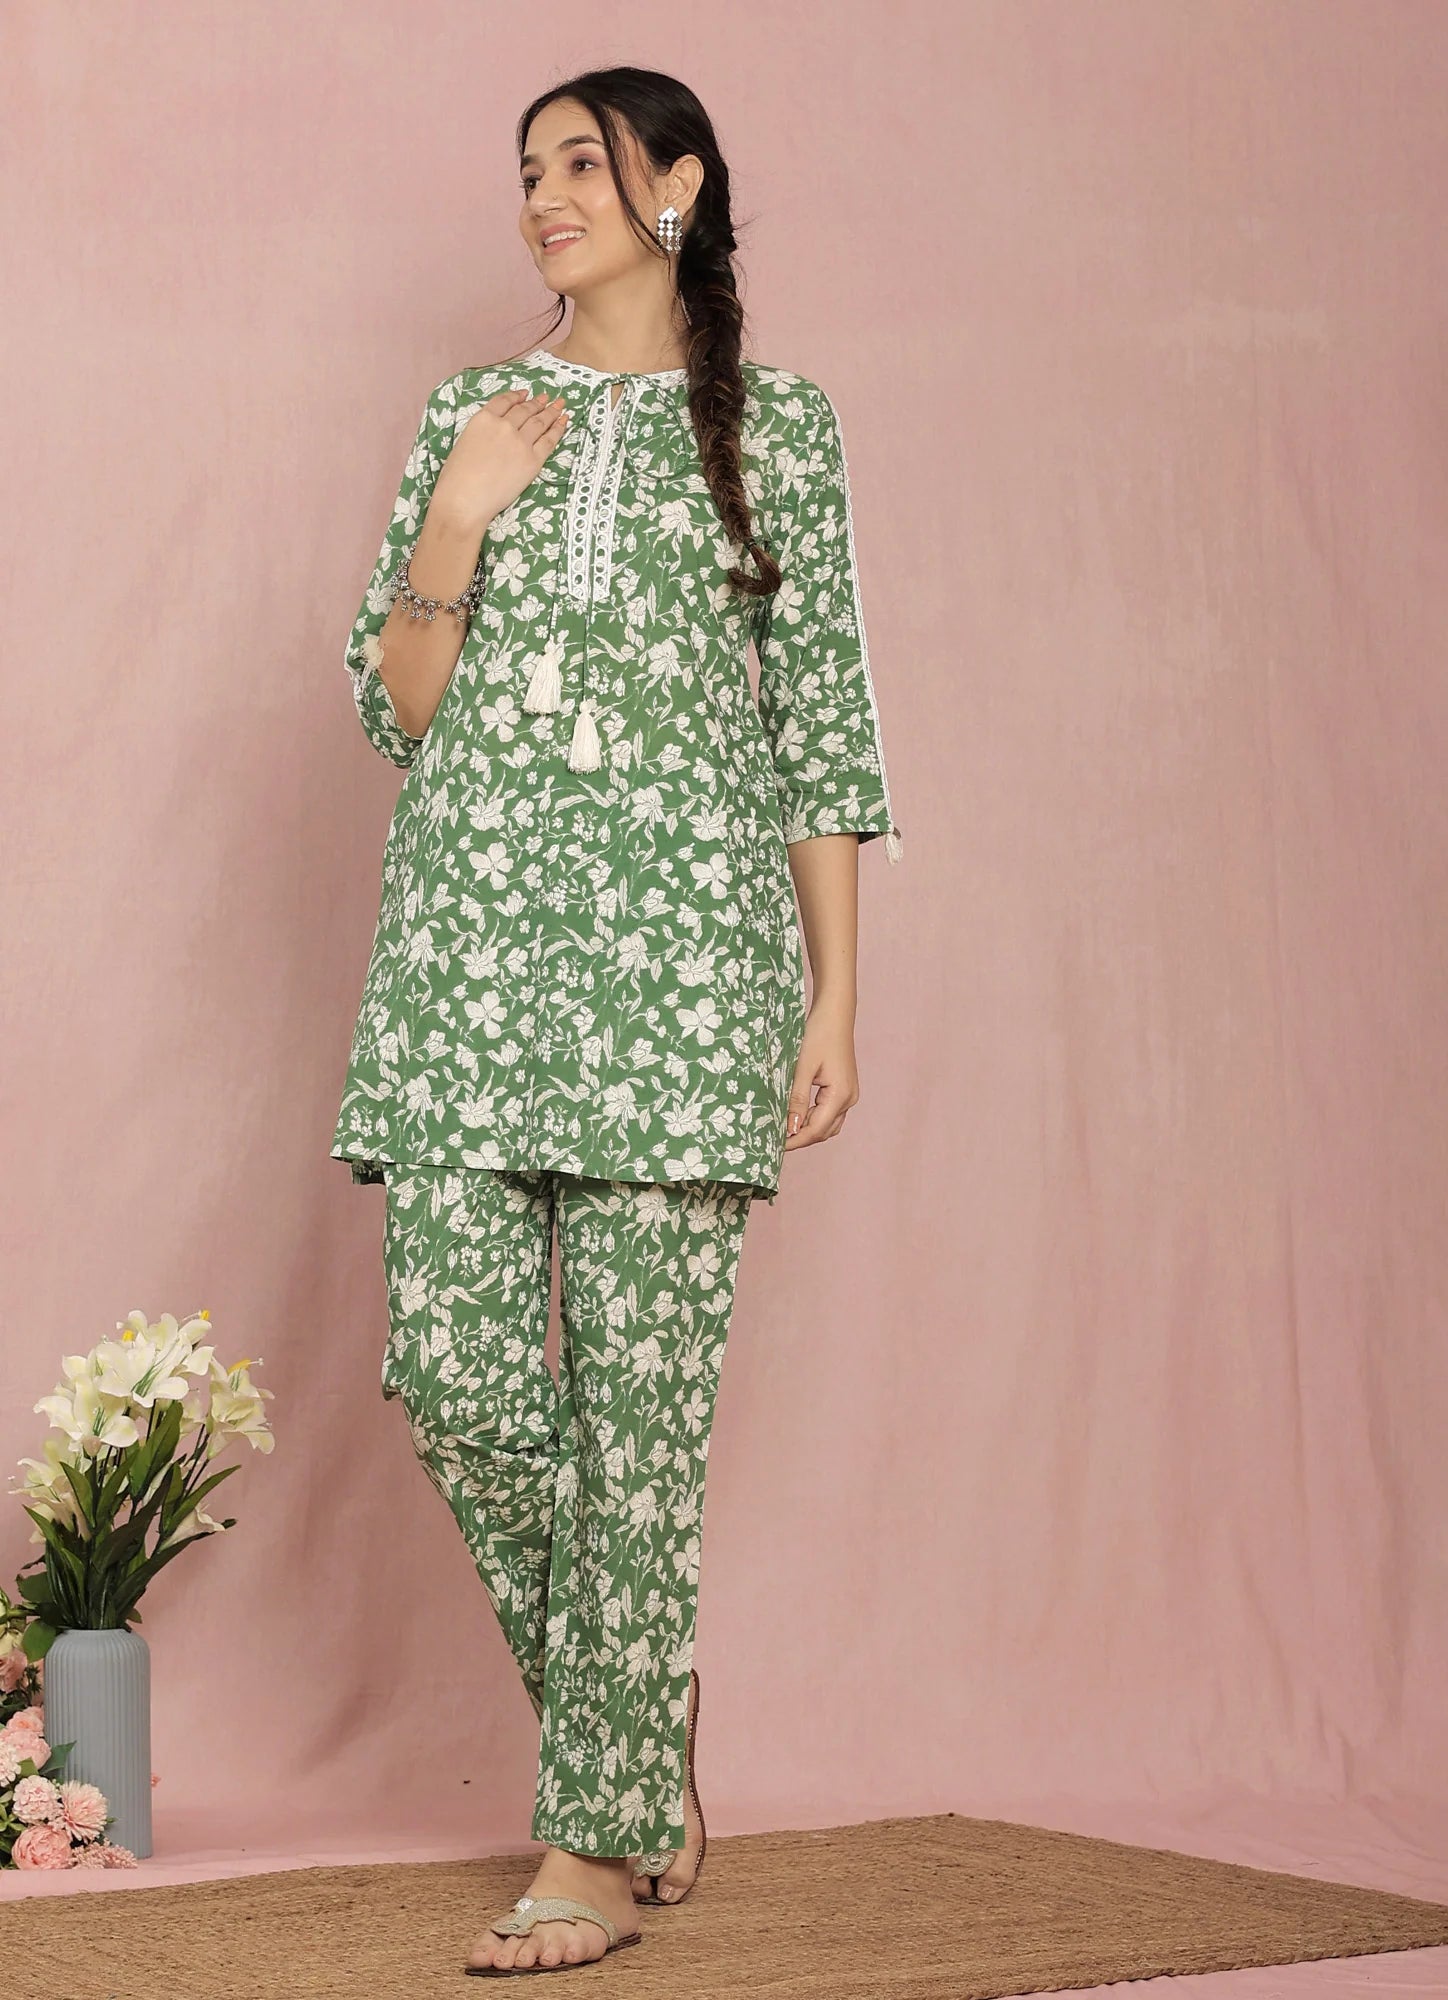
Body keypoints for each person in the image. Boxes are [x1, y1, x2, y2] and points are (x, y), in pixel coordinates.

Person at [329, 65, 903, 1978]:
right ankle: (642, 1735)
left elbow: (822, 726)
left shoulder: (779, 429)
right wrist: (461, 518)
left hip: (685, 983)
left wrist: (834, 994)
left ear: (679, 183)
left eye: (580, 163)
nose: (545, 198)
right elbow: (398, 711)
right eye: (529, 173)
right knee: (459, 1378)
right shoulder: (473, 416)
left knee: (639, 1427)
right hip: (468, 970)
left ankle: (586, 1843)